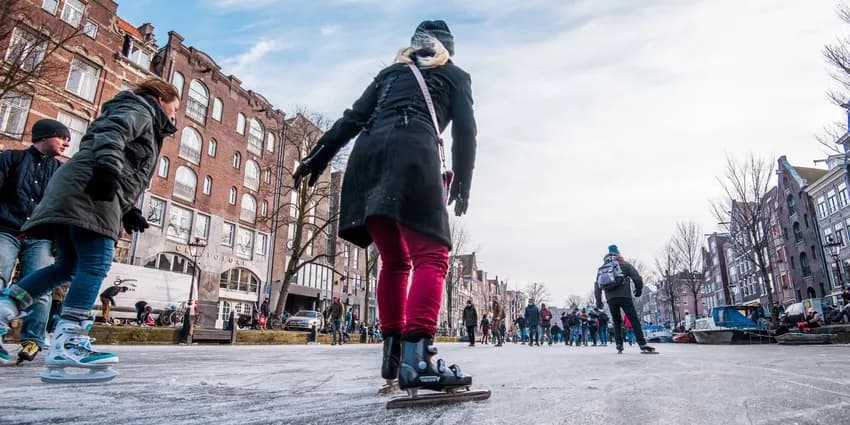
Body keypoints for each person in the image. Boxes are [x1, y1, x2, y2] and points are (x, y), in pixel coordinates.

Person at [294, 20, 476, 396]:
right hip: (413, 154)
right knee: (433, 256)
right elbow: (466, 133)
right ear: (447, 50)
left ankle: (392, 360)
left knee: (395, 262)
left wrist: (316, 158)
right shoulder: (455, 75)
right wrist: (462, 183)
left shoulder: (389, 74)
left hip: (367, 162)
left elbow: (351, 119)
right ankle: (418, 360)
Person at [0, 78, 179, 382]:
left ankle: (4, 310)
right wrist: (108, 169)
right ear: (161, 99)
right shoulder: (141, 108)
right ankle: (68, 342)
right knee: (96, 262)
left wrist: (129, 208)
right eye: (174, 110)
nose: (174, 117)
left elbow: (125, 159)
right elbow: (112, 133)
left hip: (82, 187)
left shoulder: (142, 113)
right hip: (90, 187)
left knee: (66, 266)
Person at [0, 119, 70, 363]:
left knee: (40, 287)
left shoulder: (61, 171)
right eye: (62, 137)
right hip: (6, 228)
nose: (67, 142)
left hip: (41, 236)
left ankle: (32, 340)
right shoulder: (11, 159)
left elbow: (64, 208)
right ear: (44, 137)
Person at [594, 245, 656, 354]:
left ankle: (619, 345)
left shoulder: (603, 267)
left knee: (616, 321)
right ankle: (642, 343)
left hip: (611, 299)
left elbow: (597, 286)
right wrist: (638, 290)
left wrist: (599, 301)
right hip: (625, 296)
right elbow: (637, 277)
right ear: (618, 253)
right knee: (633, 319)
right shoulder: (624, 264)